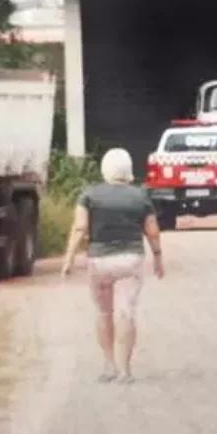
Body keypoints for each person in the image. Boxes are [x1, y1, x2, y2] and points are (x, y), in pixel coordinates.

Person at [60, 148, 165, 383]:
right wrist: (158, 258)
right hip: (130, 260)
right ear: (128, 170)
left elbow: (80, 228)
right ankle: (125, 370)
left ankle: (109, 365)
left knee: (104, 312)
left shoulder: (89, 195)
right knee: (126, 312)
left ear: (104, 169)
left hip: (99, 261)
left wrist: (68, 259)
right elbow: (153, 231)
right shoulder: (140, 197)